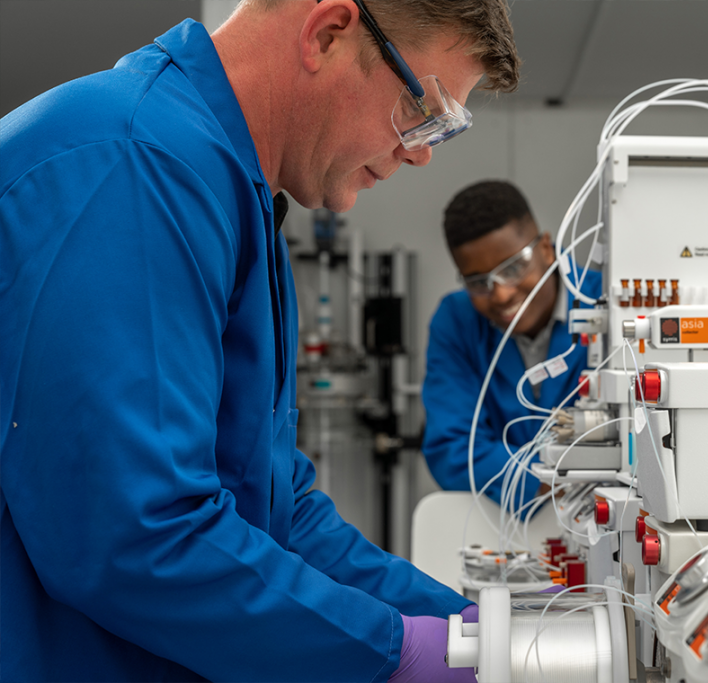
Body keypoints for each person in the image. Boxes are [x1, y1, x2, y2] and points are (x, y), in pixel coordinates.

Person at [0, 1, 518, 680]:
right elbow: (135, 536)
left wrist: (460, 628)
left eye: (442, 130)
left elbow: (278, 508)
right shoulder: (133, 165)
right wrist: (388, 651)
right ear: (328, 34)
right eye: (422, 108)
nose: (419, 151)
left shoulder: (232, 193)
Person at [422, 180, 602, 509]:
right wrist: (545, 480)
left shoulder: (607, 303)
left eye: (514, 267)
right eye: (479, 282)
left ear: (546, 248)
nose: (502, 294)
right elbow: (451, 447)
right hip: (502, 525)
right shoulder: (456, 321)